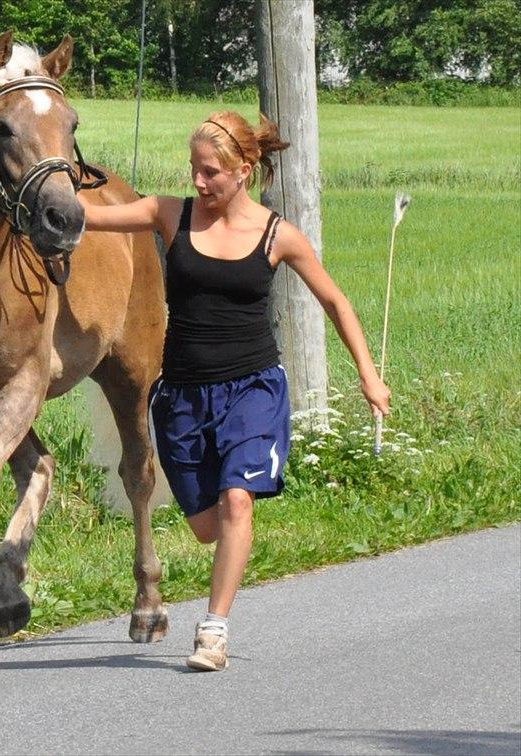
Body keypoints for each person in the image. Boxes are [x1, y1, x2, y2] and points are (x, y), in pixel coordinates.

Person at [78, 111, 390, 672]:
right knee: (205, 528)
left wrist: (368, 375)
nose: (199, 181)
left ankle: (213, 630)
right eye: (194, 169)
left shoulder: (278, 235)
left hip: (252, 390)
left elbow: (336, 302)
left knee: (237, 500)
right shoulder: (168, 215)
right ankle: (218, 586)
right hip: (180, 398)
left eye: (211, 172)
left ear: (244, 170)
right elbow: (82, 215)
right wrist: (32, 183)